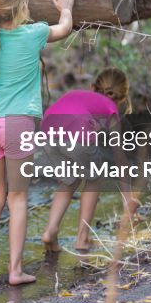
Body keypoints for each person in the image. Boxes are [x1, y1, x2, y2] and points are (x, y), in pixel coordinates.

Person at [0, 0, 74, 285]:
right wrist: (66, 9)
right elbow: (64, 28)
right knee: (17, 198)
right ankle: (15, 270)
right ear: (22, 9)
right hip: (18, 124)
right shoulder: (34, 33)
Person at [40, 67, 134, 253]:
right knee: (94, 178)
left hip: (47, 128)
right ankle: (82, 239)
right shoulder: (111, 108)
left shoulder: (77, 94)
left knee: (70, 180)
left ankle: (50, 232)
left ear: (93, 86)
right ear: (122, 97)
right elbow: (120, 157)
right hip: (77, 132)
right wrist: (128, 199)